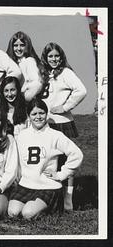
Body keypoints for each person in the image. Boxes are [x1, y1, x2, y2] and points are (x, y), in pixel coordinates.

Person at [7, 99, 83, 219]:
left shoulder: (55, 135)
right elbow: (17, 159)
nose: (38, 117)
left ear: (46, 114)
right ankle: (36, 207)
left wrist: (61, 174)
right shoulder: (22, 135)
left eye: (41, 113)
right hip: (26, 184)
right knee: (13, 212)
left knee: (28, 214)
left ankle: (53, 207)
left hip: (48, 186)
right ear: (29, 116)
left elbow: (77, 154)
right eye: (34, 114)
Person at [40, 42, 87, 210]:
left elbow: (81, 90)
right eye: (50, 56)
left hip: (62, 123)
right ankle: (52, 197)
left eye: (56, 56)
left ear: (61, 57)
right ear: (45, 58)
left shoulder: (66, 72)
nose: (54, 59)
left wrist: (65, 107)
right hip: (46, 123)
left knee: (65, 161)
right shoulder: (44, 73)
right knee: (49, 160)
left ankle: (68, 199)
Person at [6, 31, 44, 101]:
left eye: (22, 45)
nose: (19, 48)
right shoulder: (10, 63)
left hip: (23, 103)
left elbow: (37, 84)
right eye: (15, 45)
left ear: (27, 46)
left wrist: (23, 99)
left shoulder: (29, 61)